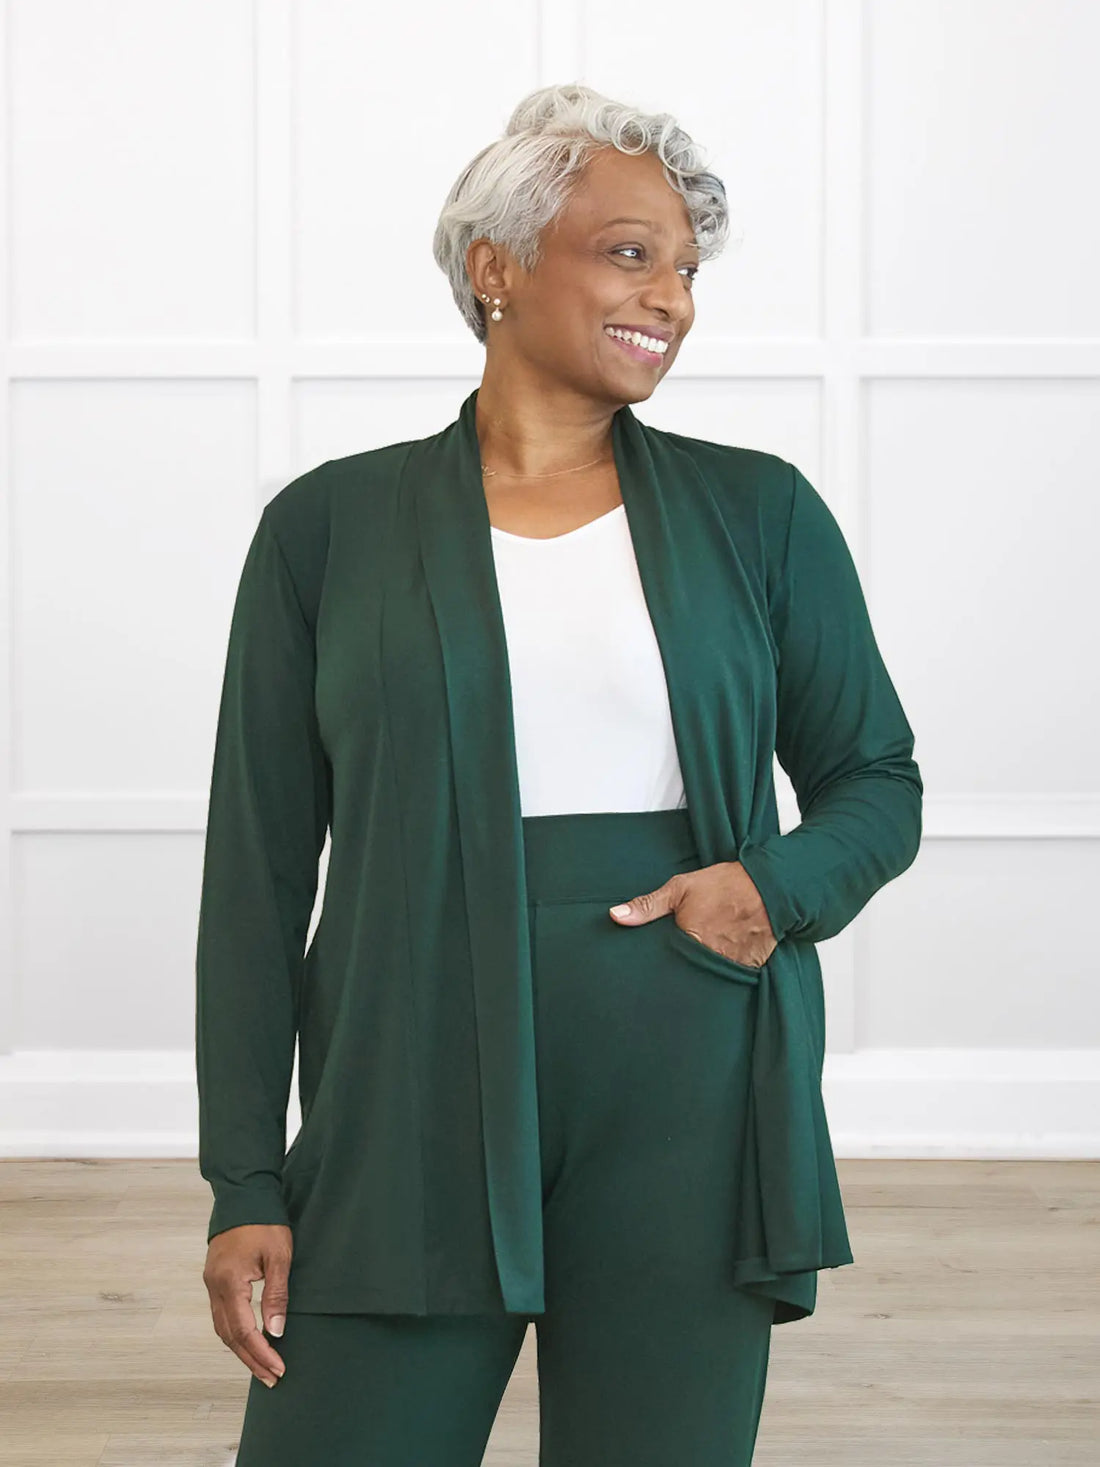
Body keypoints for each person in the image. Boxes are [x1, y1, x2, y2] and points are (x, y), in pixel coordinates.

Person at [195, 81, 922, 1466]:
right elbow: (258, 879)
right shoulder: (328, 529)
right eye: (631, 252)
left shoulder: (759, 511)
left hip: (688, 1087)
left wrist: (767, 893)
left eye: (688, 269)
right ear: (498, 265)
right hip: (404, 1098)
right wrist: (244, 1180)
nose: (672, 299)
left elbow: (877, 779)